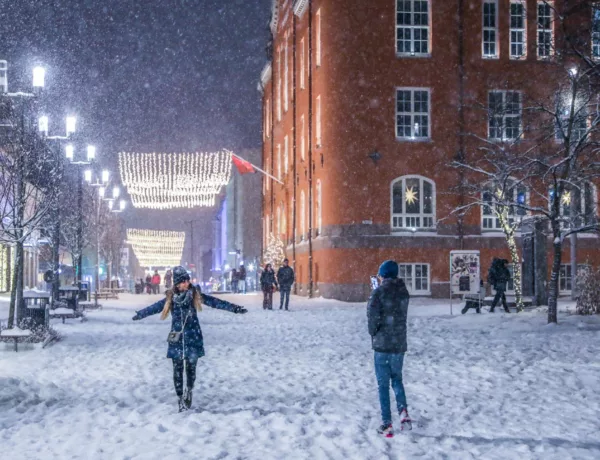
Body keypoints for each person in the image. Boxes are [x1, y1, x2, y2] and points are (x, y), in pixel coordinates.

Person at [132, 266, 247, 412]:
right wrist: (140, 314)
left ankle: (189, 390)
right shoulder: (170, 298)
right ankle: (180, 398)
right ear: (178, 284)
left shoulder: (195, 295)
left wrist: (235, 308)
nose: (187, 283)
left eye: (188, 280)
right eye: (184, 281)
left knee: (191, 370)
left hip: (193, 337)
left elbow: (215, 302)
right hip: (177, 339)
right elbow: (155, 307)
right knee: (177, 370)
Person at [367, 260, 411, 437]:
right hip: (398, 343)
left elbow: (372, 321)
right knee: (397, 379)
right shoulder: (403, 292)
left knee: (383, 384)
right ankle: (403, 411)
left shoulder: (378, 293)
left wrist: (374, 332)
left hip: (382, 345)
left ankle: (386, 423)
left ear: (383, 274)